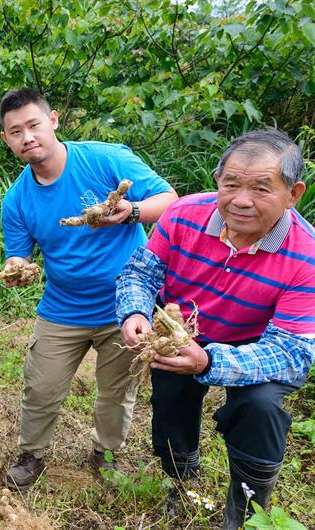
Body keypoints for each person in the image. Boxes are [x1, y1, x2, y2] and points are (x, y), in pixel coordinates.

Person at [116, 128, 315, 529]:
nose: (241, 200)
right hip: (185, 331)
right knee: (170, 405)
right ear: (217, 181)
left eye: (262, 188)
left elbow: (293, 352)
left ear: (293, 194)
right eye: (231, 184)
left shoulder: (306, 254)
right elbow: (140, 272)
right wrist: (134, 312)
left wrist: (209, 361)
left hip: (262, 342)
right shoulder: (182, 214)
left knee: (258, 409)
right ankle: (182, 479)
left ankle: (245, 508)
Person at [0, 88, 177, 490]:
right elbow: (18, 254)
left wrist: (129, 213)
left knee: (117, 391)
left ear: (54, 120)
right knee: (40, 387)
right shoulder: (17, 199)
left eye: (33, 125)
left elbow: (170, 201)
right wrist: (16, 269)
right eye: (15, 132)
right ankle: (32, 454)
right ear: (7, 140)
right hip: (62, 308)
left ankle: (106, 451)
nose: (27, 137)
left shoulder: (104, 157)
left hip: (126, 305)